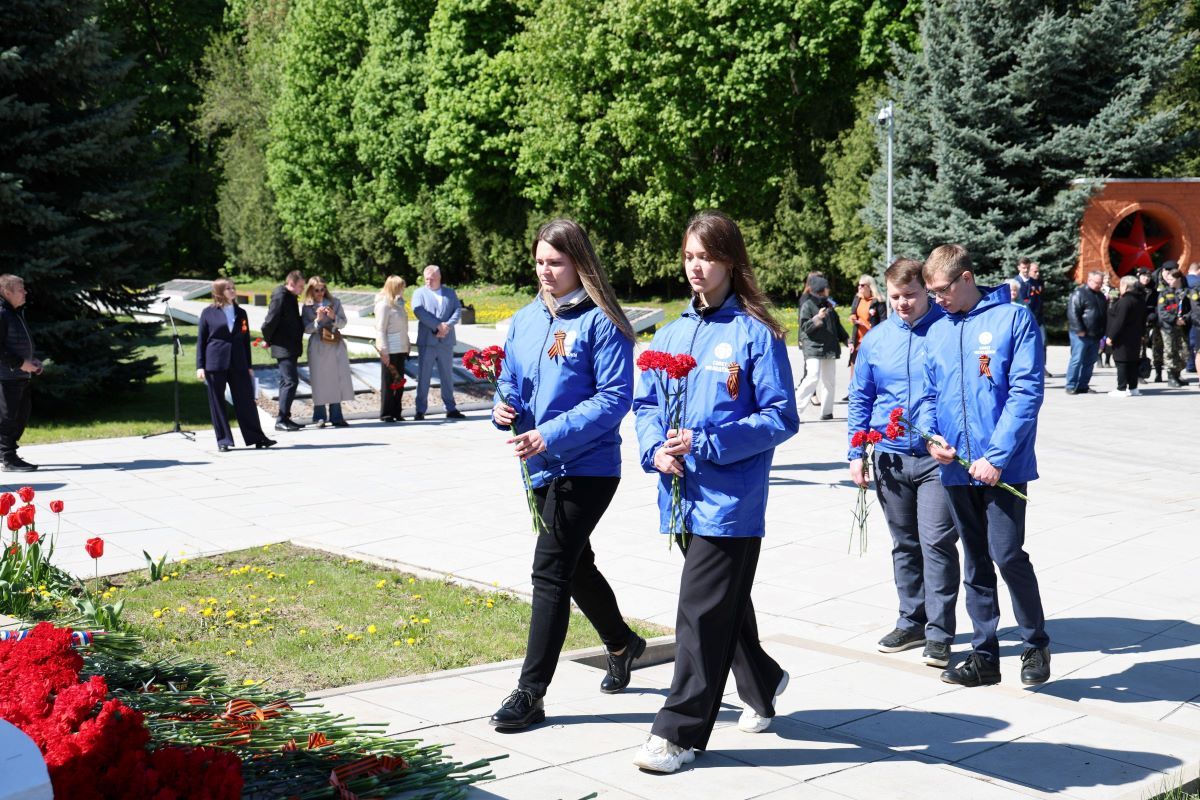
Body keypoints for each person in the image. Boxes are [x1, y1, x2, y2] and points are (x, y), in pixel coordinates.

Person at [631, 211, 799, 773]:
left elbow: (780, 417)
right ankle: (765, 682)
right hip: (679, 496)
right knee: (724, 605)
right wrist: (655, 450)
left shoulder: (757, 333)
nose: (695, 267)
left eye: (706, 256)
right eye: (688, 256)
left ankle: (678, 733)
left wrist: (706, 441)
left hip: (732, 501)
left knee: (698, 613)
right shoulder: (673, 333)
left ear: (730, 260)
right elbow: (647, 404)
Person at [487, 219, 642, 731]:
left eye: (555, 262)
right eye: (539, 262)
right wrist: (502, 407)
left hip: (588, 465)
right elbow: (510, 379)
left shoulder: (603, 323)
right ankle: (623, 644)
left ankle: (531, 692)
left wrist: (550, 433)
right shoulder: (526, 319)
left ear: (579, 263)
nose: (545, 271)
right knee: (574, 566)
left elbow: (614, 399)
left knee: (550, 569)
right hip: (537, 465)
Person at [917, 244, 1050, 688]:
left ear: (967, 278)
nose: (936, 299)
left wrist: (996, 456)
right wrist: (931, 436)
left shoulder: (1013, 319)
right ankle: (984, 655)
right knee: (974, 560)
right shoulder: (937, 331)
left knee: (1007, 554)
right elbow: (927, 397)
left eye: (941, 290)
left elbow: (1026, 392)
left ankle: (1034, 644)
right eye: (931, 292)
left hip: (1003, 467)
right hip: (955, 469)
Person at [847, 258, 959, 669]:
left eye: (910, 295)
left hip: (934, 460)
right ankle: (911, 619)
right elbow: (861, 397)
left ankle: (940, 633)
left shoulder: (947, 331)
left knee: (937, 543)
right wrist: (855, 452)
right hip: (890, 457)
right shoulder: (876, 340)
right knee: (904, 543)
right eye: (894, 297)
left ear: (926, 290)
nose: (902, 304)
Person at [195, 279, 276, 453]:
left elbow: (245, 340)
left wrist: (248, 365)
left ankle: (257, 437)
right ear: (219, 292)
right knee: (217, 402)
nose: (232, 291)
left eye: (233, 288)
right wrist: (200, 366)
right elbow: (201, 340)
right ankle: (224, 440)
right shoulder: (208, 313)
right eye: (228, 289)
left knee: (246, 400)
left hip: (238, 362)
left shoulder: (241, 312)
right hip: (215, 363)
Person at [0, 275, 42, 472]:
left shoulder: (14, 312)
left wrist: (31, 361)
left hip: (19, 375)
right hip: (6, 376)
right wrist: (20, 363)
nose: (25, 292)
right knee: (9, 418)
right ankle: (8, 458)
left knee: (21, 415)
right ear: (7, 292)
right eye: (20, 289)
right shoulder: (1, 313)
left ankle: (7, 454)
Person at [411, 265, 464, 421]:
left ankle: (450, 408)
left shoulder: (449, 293)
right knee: (424, 376)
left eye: (432, 278)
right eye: (426, 278)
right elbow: (418, 311)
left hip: (446, 341)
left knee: (447, 376)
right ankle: (420, 410)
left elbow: (457, 310)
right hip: (427, 342)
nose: (428, 281)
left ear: (439, 278)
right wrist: (437, 326)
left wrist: (447, 326)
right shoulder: (419, 293)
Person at [301, 277, 354, 428]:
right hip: (318, 344)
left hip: (334, 343)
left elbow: (343, 323)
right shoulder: (306, 307)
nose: (320, 293)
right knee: (319, 380)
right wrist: (317, 320)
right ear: (311, 290)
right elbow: (306, 329)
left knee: (335, 379)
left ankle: (337, 416)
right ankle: (319, 416)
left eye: (322, 289)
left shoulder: (335, 302)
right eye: (316, 290)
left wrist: (333, 317)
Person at [795, 275, 848, 421]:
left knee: (829, 380)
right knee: (812, 376)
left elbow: (837, 325)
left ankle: (827, 412)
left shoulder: (829, 305)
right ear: (820, 290)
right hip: (813, 347)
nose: (828, 290)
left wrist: (846, 339)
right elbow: (805, 327)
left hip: (829, 347)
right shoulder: (807, 305)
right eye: (826, 288)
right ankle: (795, 410)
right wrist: (817, 317)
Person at [261, 270, 306, 432]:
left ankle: (285, 418)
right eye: (300, 286)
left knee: (286, 381)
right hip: (283, 346)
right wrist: (268, 339)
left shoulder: (289, 296)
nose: (302, 289)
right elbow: (270, 321)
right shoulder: (281, 296)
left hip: (290, 346)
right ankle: (281, 419)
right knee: (291, 381)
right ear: (291, 283)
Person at [1064, 270, 1107, 395]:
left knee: (1090, 361)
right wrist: (1079, 329)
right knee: (1077, 360)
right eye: (1097, 282)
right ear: (1089, 280)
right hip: (1081, 335)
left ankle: (1083, 385)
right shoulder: (1079, 293)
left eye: (1100, 283)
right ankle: (1071, 385)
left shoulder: (1100, 295)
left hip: (1095, 334)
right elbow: (1073, 313)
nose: (1099, 285)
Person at [374, 275, 410, 422]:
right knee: (389, 382)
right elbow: (380, 329)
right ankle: (386, 413)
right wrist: (383, 350)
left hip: (401, 348)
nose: (403, 290)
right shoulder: (384, 305)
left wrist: (407, 345)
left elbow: (404, 327)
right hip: (390, 348)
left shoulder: (398, 304)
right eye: (401, 287)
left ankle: (397, 411)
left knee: (399, 382)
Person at [1105, 275, 1148, 397]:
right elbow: (1143, 320)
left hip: (1123, 337)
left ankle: (1121, 388)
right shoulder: (1139, 300)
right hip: (1135, 336)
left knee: (1122, 362)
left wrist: (1111, 336)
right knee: (1132, 362)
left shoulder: (1125, 301)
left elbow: (1119, 321)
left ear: (1125, 286)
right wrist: (1142, 334)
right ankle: (1133, 388)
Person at [1155, 263, 1192, 388]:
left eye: (1171, 279)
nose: (1169, 281)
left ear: (1178, 279)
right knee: (1170, 351)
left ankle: (1177, 374)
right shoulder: (1164, 293)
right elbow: (1161, 311)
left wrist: (1185, 319)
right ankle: (1171, 377)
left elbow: (1192, 309)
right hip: (1168, 327)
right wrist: (1174, 319)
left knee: (1184, 352)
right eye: (1168, 279)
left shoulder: (1187, 292)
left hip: (1183, 327)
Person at [848, 274, 887, 374]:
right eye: (859, 285)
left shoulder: (878, 301)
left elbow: (883, 322)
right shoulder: (858, 298)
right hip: (858, 341)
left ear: (870, 287)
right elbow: (853, 313)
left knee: (868, 374)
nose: (859, 287)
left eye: (862, 285)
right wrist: (852, 317)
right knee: (854, 374)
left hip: (871, 342)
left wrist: (866, 325)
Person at [1136, 268, 1162, 382]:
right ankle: (1134, 374)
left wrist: (1153, 315)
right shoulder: (1134, 288)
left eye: (1148, 276)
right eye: (1143, 276)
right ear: (1139, 276)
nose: (1146, 278)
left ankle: (1141, 374)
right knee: (1136, 349)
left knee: (1143, 349)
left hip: (1148, 323)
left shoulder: (1153, 289)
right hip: (1135, 323)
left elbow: (1156, 306)